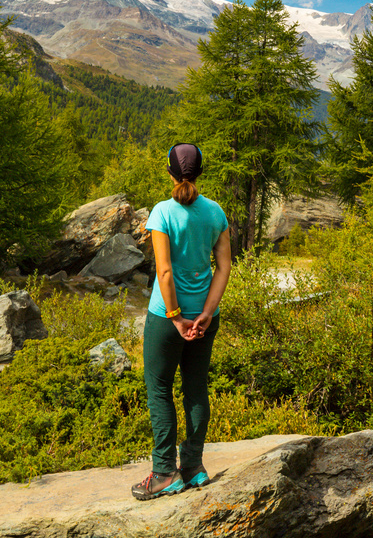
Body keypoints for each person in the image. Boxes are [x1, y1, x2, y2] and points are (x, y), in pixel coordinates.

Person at [131, 142, 232, 501]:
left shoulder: (162, 213)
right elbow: (223, 267)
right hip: (207, 316)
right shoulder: (216, 212)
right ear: (199, 172)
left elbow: (165, 272)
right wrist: (205, 313)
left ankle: (164, 473)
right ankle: (193, 468)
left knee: (159, 388)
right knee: (195, 386)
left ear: (170, 172)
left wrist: (176, 319)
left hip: (166, 317)